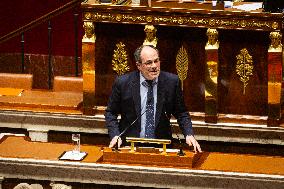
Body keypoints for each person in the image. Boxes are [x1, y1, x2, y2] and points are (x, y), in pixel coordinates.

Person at [105, 45, 202, 153]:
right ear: (139, 65)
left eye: (156, 61)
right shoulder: (123, 83)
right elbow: (110, 113)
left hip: (162, 147)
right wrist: (115, 135)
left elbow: (181, 113)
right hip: (129, 146)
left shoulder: (171, 82)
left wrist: (189, 134)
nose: (154, 66)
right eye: (149, 63)